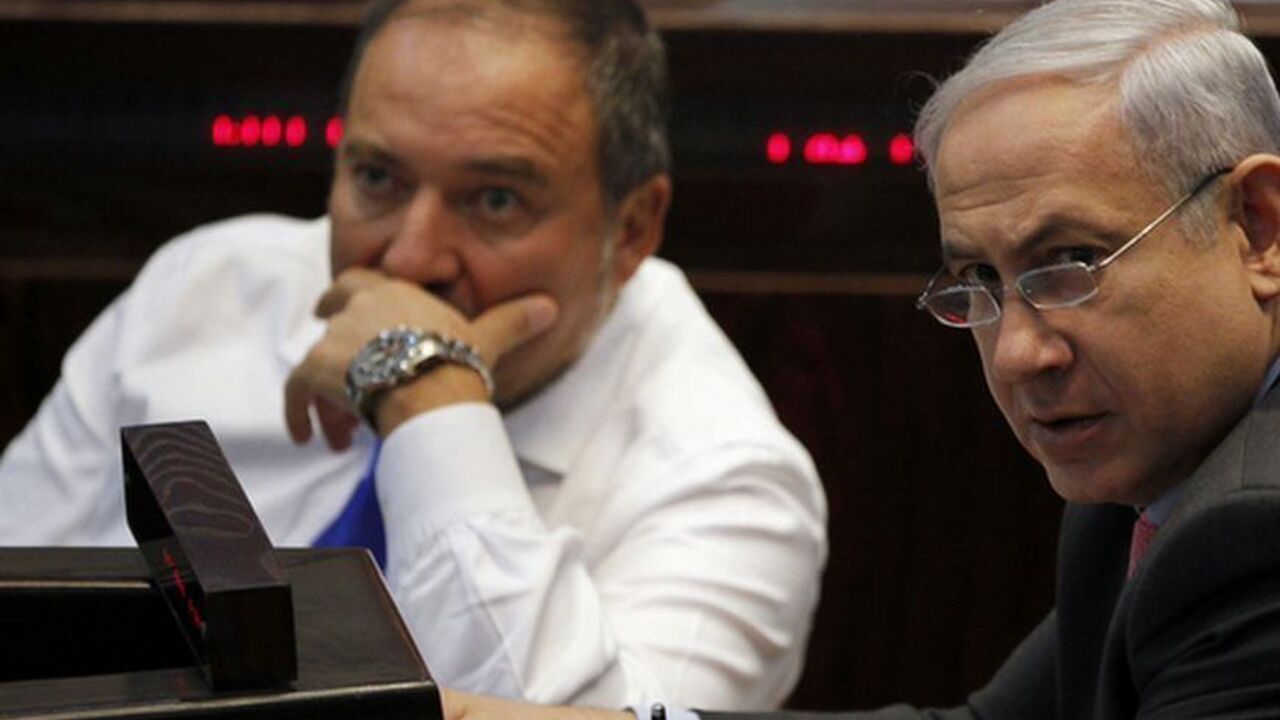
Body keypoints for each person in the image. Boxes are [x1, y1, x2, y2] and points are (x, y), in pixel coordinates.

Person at [433, 0, 1280, 718]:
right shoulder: (1158, 458)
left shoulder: (1249, 534)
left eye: (1068, 266)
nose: (1020, 354)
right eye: (979, 280)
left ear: (1259, 227)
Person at [0, 0, 827, 710]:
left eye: (495, 199)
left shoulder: (729, 482)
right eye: (377, 179)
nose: (407, 260)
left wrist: (425, 393)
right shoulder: (205, 290)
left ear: (634, 228)